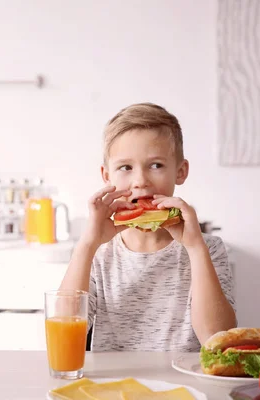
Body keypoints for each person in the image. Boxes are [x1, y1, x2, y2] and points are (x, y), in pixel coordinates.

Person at [60, 103, 236, 352]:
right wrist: (87, 245)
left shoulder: (209, 248)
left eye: (156, 165)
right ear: (107, 176)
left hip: (186, 388)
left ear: (181, 171)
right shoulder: (99, 252)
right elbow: (66, 336)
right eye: (125, 167)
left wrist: (196, 249)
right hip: (115, 387)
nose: (140, 181)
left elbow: (217, 340)